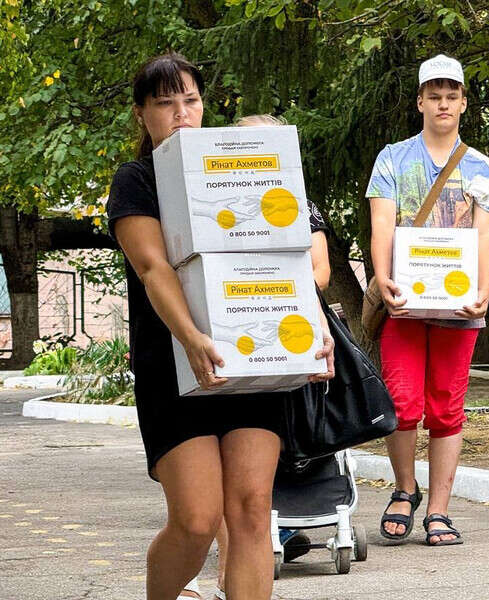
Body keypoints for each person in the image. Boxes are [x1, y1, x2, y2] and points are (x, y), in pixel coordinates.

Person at [106, 53, 334, 600]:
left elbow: (284, 253)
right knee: (198, 520)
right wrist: (191, 338)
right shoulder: (136, 181)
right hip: (175, 366)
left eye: (191, 100)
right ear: (142, 114)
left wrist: (311, 328)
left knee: (254, 510)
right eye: (165, 104)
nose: (181, 114)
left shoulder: (240, 167)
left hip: (251, 360)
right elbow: (153, 267)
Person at [187, 113, 332, 600]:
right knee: (212, 498)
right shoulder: (205, 194)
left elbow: (320, 270)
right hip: (214, 349)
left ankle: (234, 584)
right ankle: (225, 578)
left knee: (249, 496)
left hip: (270, 349)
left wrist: (272, 288)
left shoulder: (293, 203)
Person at [367, 54, 489, 546]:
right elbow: (382, 223)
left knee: (447, 407)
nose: (443, 104)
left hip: (458, 306)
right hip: (404, 303)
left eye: (452, 96)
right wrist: (383, 279)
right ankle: (405, 490)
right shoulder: (393, 158)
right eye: (434, 95)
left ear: (463, 103)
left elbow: (485, 235)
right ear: (420, 101)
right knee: (403, 403)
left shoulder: (483, 167)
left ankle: (440, 511)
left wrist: (484, 293)